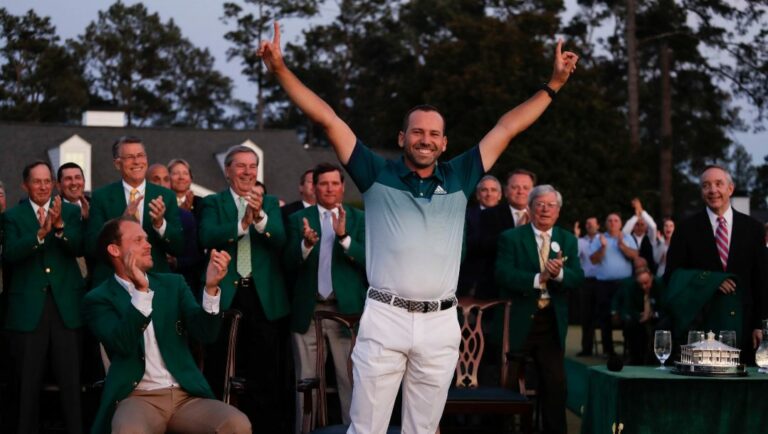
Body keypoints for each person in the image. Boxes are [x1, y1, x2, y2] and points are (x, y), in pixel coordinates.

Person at [258, 21, 578, 434]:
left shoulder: (461, 175)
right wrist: (281, 70)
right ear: (402, 137)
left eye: (433, 134)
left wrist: (554, 85)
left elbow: (508, 127)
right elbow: (328, 119)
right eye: (417, 132)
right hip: (385, 317)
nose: (425, 139)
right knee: (366, 429)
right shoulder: (375, 173)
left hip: (440, 323)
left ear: (444, 143)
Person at [82, 216, 251, 434]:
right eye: (138, 240)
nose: (148, 244)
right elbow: (122, 343)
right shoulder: (98, 299)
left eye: (147, 239)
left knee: (237, 424)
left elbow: (206, 333)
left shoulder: (173, 284)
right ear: (114, 250)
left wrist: (210, 288)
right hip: (137, 398)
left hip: (185, 395)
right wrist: (141, 292)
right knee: (128, 431)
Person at [198, 145, 289, 432]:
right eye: (241, 166)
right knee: (222, 367)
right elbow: (207, 236)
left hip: (263, 299)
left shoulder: (270, 203)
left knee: (265, 372)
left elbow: (281, 240)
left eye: (252, 166)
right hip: (228, 296)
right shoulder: (213, 202)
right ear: (227, 171)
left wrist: (259, 218)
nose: (248, 172)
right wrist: (241, 224)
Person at [3, 161, 85, 434]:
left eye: (47, 181)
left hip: (66, 308)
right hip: (28, 311)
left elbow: (80, 247)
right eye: (37, 181)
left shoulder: (71, 212)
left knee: (71, 385)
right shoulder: (12, 216)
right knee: (26, 386)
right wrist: (38, 236)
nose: (43, 186)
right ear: (25, 185)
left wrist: (59, 227)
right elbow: (10, 254)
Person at [284, 163, 367, 431]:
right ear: (314, 187)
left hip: (346, 314)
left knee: (349, 381)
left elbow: (370, 261)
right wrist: (305, 245)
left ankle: (352, 431)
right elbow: (286, 263)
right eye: (323, 183)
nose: (329, 188)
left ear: (342, 187)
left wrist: (344, 237)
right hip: (308, 313)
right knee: (306, 383)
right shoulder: (298, 219)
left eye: (334, 183)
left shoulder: (359, 218)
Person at [495, 185, 583, 434]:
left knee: (556, 386)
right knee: (507, 383)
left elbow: (578, 277)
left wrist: (559, 274)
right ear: (530, 208)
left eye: (551, 205)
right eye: (540, 204)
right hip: (518, 321)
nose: (545, 209)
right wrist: (538, 278)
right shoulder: (511, 238)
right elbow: (502, 274)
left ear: (558, 211)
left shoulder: (568, 239)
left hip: (550, 323)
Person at [664, 165, 767, 362]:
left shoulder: (753, 229)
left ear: (730, 188)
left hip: (744, 327)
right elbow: (671, 276)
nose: (713, 190)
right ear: (701, 192)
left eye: (719, 184)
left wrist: (760, 325)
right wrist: (710, 281)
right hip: (701, 327)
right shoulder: (685, 229)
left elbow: (762, 280)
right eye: (706, 185)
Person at [86, 136, 183, 286]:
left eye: (140, 155)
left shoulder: (166, 196)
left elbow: (178, 247)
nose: (137, 161)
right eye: (130, 157)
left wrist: (160, 224)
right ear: (117, 164)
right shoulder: (101, 197)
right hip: (113, 282)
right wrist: (122, 222)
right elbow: (92, 247)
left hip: (155, 282)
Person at [148, 163, 203, 293]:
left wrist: (176, 262)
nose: (161, 184)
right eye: (156, 180)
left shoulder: (187, 215)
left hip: (181, 282)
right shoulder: (136, 211)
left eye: (165, 180)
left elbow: (195, 254)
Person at [589, 213, 637, 356]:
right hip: (604, 284)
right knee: (605, 316)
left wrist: (622, 245)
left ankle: (630, 349)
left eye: (616, 220)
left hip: (624, 284)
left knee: (627, 315)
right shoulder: (599, 238)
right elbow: (593, 260)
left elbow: (635, 256)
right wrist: (603, 247)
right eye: (609, 220)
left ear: (620, 224)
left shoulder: (627, 238)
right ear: (605, 224)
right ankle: (608, 350)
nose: (613, 223)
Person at [612, 260, 663, 365]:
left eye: (646, 283)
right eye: (641, 284)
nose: (644, 287)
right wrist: (639, 316)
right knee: (631, 325)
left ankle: (654, 359)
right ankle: (635, 358)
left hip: (656, 317)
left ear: (651, 278)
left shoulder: (659, 285)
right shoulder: (632, 287)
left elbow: (664, 307)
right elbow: (628, 308)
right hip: (639, 317)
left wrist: (653, 314)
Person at [458, 175, 501, 296]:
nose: (489, 194)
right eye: (484, 190)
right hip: (470, 278)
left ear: (500, 195)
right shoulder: (465, 215)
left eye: (493, 190)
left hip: (499, 279)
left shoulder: (508, 215)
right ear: (477, 195)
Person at [576, 216, 600, 356]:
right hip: (586, 282)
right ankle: (587, 348)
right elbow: (574, 256)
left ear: (598, 226)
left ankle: (608, 349)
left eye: (592, 223)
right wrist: (575, 238)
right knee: (586, 315)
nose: (589, 225)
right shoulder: (581, 241)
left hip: (601, 281)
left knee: (603, 314)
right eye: (587, 223)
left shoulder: (602, 239)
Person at [622, 198, 658, 275]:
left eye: (642, 225)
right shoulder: (628, 238)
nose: (639, 227)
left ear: (646, 227)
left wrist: (641, 211)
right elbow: (624, 231)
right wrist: (636, 216)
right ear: (633, 226)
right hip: (632, 272)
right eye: (637, 224)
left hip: (648, 272)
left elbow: (653, 227)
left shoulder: (650, 238)